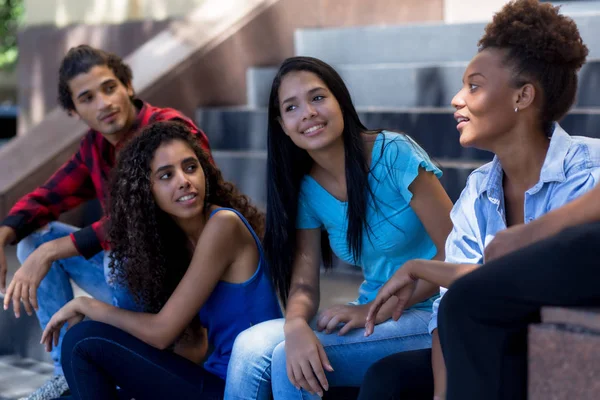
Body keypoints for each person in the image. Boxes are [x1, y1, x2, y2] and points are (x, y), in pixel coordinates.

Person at [360, 1, 598, 399]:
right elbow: (449, 310)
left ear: (523, 96)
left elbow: (527, 285)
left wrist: (425, 268)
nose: (456, 99)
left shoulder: (586, 171)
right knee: (388, 378)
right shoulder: (477, 192)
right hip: (491, 346)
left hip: (554, 347)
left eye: (474, 85)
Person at [224, 56, 454, 399]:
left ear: (339, 101)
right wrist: (296, 323)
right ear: (282, 124)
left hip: (429, 314)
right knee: (249, 346)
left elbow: (455, 251)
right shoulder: (307, 189)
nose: (308, 113)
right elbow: (303, 284)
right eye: (292, 107)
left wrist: (369, 311)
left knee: (289, 362)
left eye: (317, 98)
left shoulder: (394, 153)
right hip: (373, 316)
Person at [0, 45, 211, 399]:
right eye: (87, 97)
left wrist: (52, 252)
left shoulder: (168, 130)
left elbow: (144, 218)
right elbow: (48, 197)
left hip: (184, 283)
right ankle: (63, 371)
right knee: (32, 241)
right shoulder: (95, 147)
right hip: (133, 277)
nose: (103, 103)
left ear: (128, 86)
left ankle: (133, 368)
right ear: (74, 110)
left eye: (109, 88)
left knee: (119, 258)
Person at [40, 121, 282, 400]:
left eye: (190, 167)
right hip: (212, 380)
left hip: (243, 389)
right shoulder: (178, 246)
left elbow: (162, 333)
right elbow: (191, 348)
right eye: (166, 175)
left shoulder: (223, 226)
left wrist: (87, 305)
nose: (183, 180)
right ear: (147, 191)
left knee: (83, 341)